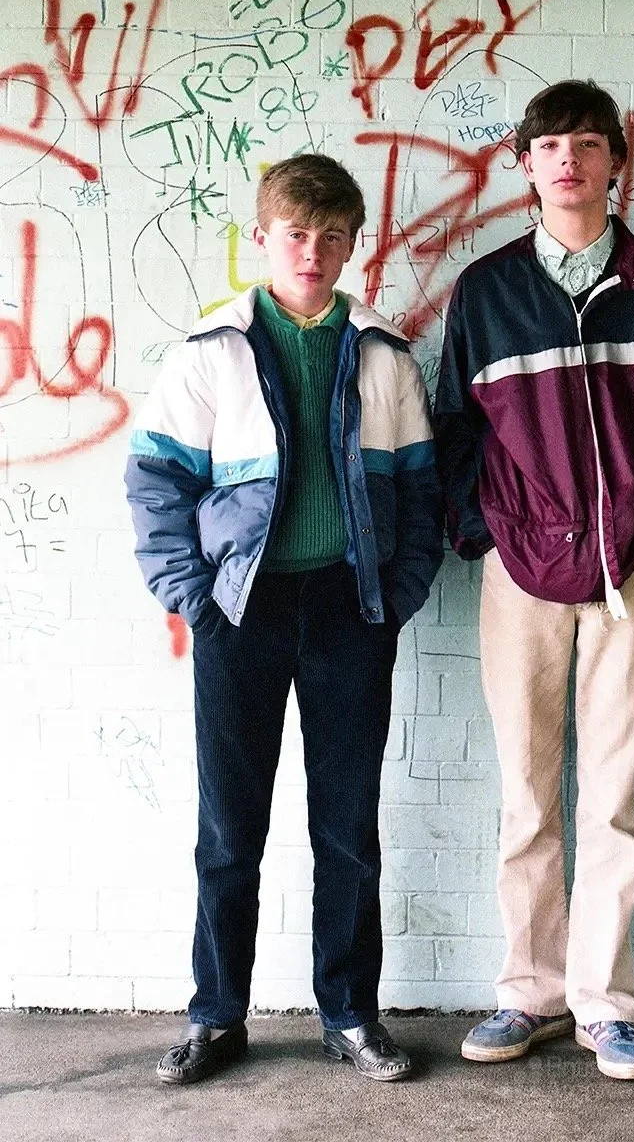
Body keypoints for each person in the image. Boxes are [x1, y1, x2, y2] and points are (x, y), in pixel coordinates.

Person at [126, 154, 443, 1085]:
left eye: (333, 237)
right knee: (230, 828)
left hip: (351, 609)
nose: (314, 252)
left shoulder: (383, 355)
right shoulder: (211, 350)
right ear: (261, 238)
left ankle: (349, 1014)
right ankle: (218, 1015)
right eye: (296, 234)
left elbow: (421, 489)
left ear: (353, 246)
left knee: (348, 828)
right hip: (243, 614)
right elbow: (156, 483)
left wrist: (402, 590)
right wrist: (194, 596)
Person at [434, 80, 634, 1080]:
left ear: (614, 162)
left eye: (589, 144)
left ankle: (604, 1004)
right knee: (527, 797)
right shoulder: (489, 291)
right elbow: (456, 431)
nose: (569, 161)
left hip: (628, 569)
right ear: (525, 163)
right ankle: (529, 994)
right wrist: (486, 534)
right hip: (522, 575)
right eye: (551, 145)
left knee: (615, 800)